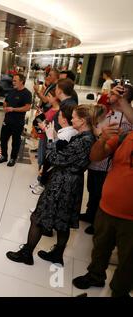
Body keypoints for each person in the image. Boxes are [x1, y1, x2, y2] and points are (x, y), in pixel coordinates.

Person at [6, 104, 97, 266]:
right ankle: (57, 254)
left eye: (75, 117)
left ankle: (27, 253)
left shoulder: (84, 140)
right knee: (63, 221)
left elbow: (55, 158)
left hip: (62, 182)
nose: (72, 119)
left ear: (82, 121)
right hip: (72, 181)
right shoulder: (87, 137)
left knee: (38, 217)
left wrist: (49, 138)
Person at [73, 85, 133, 298]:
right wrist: (101, 139)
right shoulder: (126, 136)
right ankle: (95, 275)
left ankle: (119, 292)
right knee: (100, 248)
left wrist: (123, 104)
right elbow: (96, 157)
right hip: (107, 209)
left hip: (130, 219)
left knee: (128, 262)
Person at [81, 84, 133, 234]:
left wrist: (98, 133)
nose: (108, 95)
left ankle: (96, 223)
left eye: (113, 93)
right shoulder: (110, 113)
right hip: (95, 161)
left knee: (99, 193)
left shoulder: (126, 121)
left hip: (106, 164)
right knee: (92, 190)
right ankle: (90, 214)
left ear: (123, 97)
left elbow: (112, 140)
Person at [0, 74, 32, 167]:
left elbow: (27, 107)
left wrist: (13, 109)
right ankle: (4, 156)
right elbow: (5, 102)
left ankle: (13, 158)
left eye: (15, 81)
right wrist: (5, 106)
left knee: (15, 142)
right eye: (13, 81)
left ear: (22, 81)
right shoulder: (11, 91)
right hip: (7, 120)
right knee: (3, 139)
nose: (13, 82)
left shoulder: (27, 93)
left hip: (17, 122)